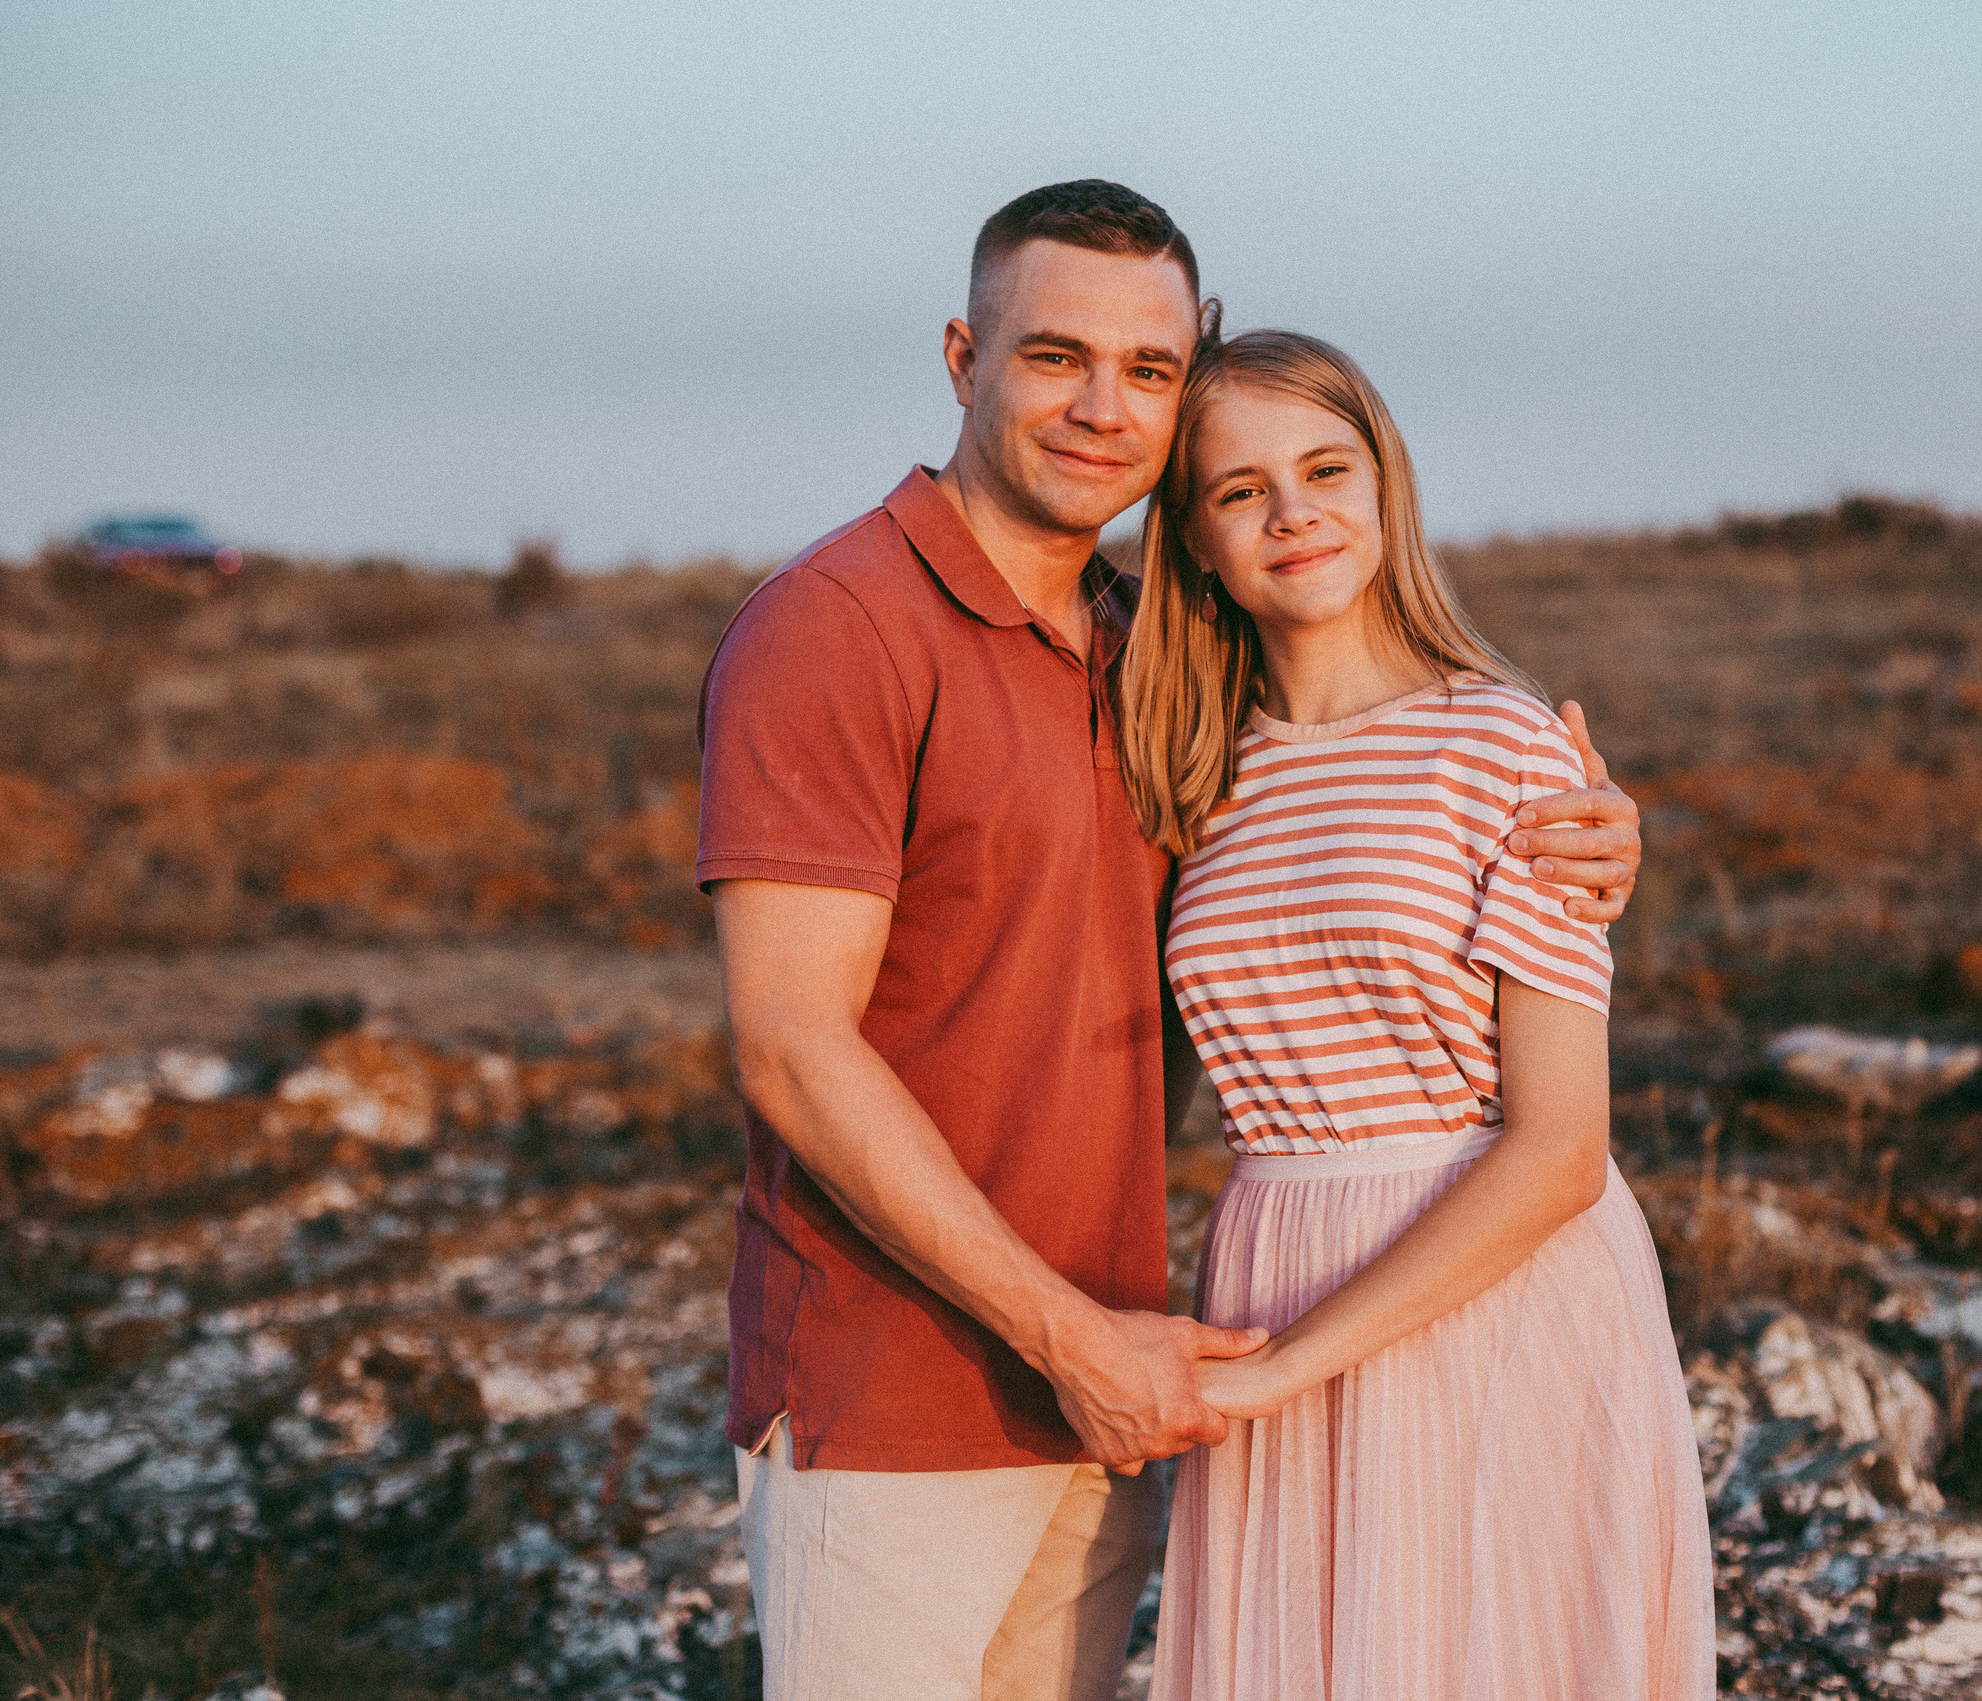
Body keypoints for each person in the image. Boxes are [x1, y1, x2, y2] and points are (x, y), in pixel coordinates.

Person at [697, 181, 1645, 1701]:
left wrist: (1582, 839)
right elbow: (792, 1051)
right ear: (963, 357)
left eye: (1147, 369)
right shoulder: (839, 624)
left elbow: (1360, 855)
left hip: (1133, 1374)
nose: (1103, 407)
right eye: (1053, 356)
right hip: (905, 1388)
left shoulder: (1157, 666)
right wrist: (1076, 1339)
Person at [1121, 330, 1714, 1701]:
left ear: (1385, 483)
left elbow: (1560, 1150)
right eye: (1241, 490)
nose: (1294, 512)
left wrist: (1281, 1373)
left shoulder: (1507, 746)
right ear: (1195, 538)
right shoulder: (1194, 772)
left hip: (1491, 1288)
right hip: (1270, 1265)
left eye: (1327, 469)